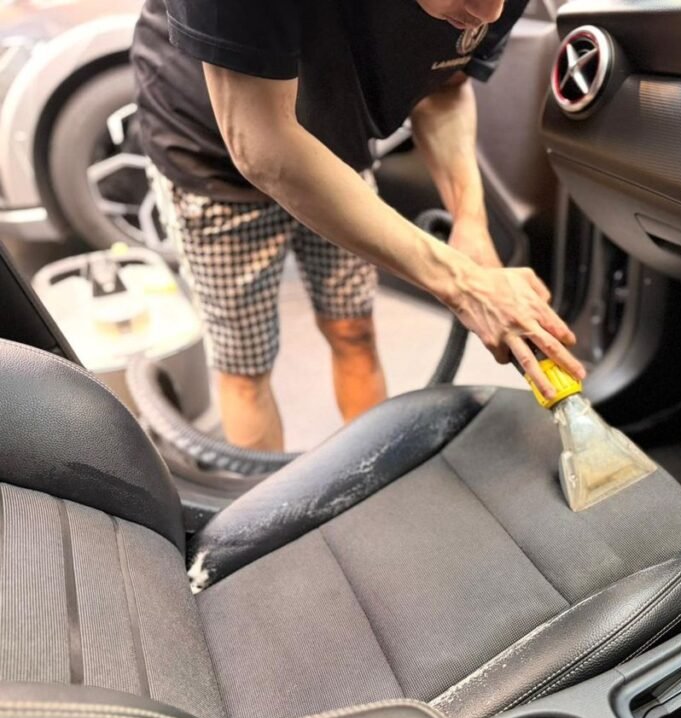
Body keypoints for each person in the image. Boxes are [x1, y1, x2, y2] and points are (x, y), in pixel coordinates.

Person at [131, 0, 585, 451]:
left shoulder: (489, 5)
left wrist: (471, 222)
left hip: (336, 146)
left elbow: (444, 89)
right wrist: (463, 284)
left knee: (354, 330)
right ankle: (267, 493)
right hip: (214, 159)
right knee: (246, 365)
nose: (490, 14)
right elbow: (264, 144)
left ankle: (372, 473)